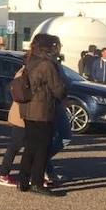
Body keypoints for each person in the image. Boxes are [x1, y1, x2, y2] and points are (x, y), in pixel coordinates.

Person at [18, 33, 67, 196]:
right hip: (43, 110)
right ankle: (37, 182)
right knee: (42, 147)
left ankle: (23, 180)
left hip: (27, 109)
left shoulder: (30, 60)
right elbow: (58, 89)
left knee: (30, 146)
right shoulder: (47, 64)